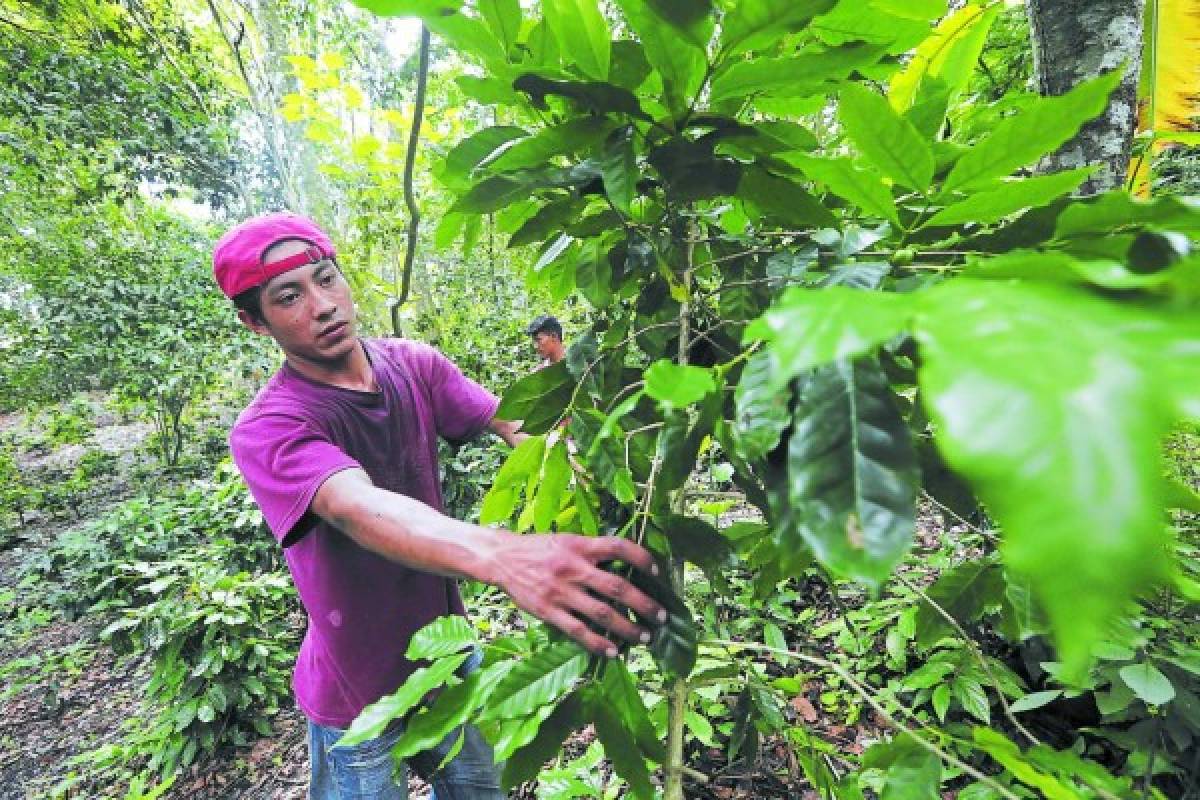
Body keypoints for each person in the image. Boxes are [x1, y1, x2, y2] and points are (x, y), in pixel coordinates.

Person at [212, 212, 665, 800]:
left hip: (447, 657)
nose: (322, 305)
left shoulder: (413, 365)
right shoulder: (271, 426)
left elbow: (509, 421)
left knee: (483, 790)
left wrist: (583, 458)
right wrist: (502, 555)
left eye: (326, 279)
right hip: (356, 689)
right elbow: (354, 504)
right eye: (289, 297)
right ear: (255, 321)